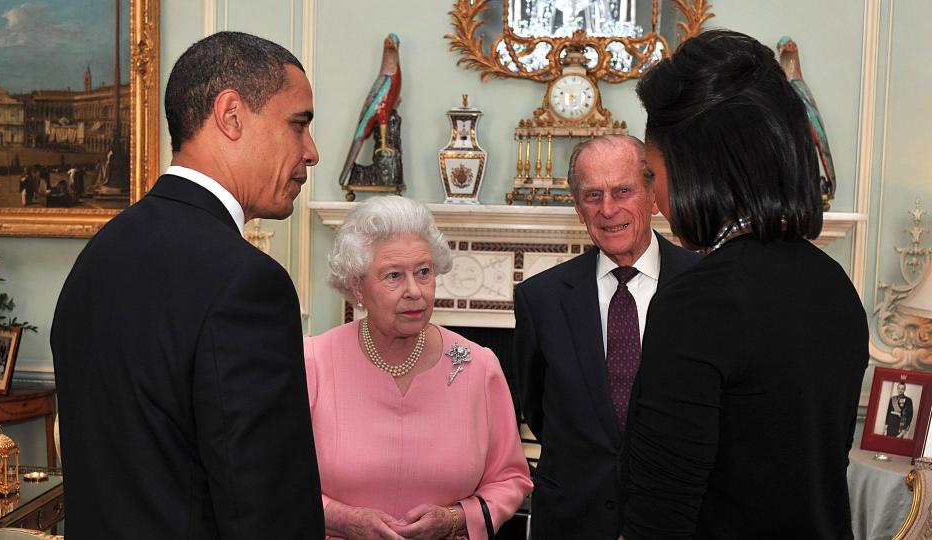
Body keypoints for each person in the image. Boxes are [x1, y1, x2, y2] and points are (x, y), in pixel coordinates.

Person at [51, 31, 323, 538]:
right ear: (232, 115)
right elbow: (266, 507)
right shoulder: (247, 283)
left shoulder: (98, 255)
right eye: (299, 124)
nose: (312, 152)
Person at [621, 30, 869, 539]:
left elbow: (658, 517)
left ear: (696, 166)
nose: (653, 194)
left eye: (652, 171)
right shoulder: (834, 285)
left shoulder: (699, 303)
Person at [309, 196, 532, 540]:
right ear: (358, 287)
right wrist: (342, 519)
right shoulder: (313, 363)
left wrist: (456, 518)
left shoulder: (477, 366)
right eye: (394, 276)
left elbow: (510, 480)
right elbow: (275, 477)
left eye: (424, 272)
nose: (415, 291)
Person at [513, 135, 699, 539]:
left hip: (678, 520)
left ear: (652, 196)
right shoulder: (539, 299)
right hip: (571, 522)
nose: (608, 209)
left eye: (623, 191)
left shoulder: (704, 287)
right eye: (593, 195)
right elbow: (538, 411)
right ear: (579, 209)